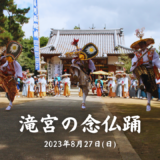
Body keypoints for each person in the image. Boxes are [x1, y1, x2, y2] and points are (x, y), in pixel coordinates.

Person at [130, 28, 160, 111]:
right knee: (139, 69)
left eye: (143, 44)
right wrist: (134, 64)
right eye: (140, 44)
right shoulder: (137, 54)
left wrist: (152, 62)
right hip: (142, 69)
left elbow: (157, 60)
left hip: (150, 69)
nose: (142, 46)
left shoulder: (152, 51)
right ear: (139, 46)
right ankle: (141, 82)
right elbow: (134, 60)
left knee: (149, 88)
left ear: (146, 44)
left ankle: (148, 102)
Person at [69, 39, 97, 110]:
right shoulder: (75, 59)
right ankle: (75, 78)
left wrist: (89, 71)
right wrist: (76, 60)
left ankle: (83, 102)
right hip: (78, 73)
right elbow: (73, 62)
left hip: (85, 75)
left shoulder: (89, 60)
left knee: (85, 90)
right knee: (74, 66)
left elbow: (92, 68)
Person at [0, 41, 23, 110]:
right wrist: (3, 66)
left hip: (11, 78)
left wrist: (17, 75)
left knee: (12, 91)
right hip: (4, 77)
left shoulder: (14, 62)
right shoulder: (2, 60)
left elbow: (18, 69)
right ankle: (8, 97)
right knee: (7, 92)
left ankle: (10, 104)